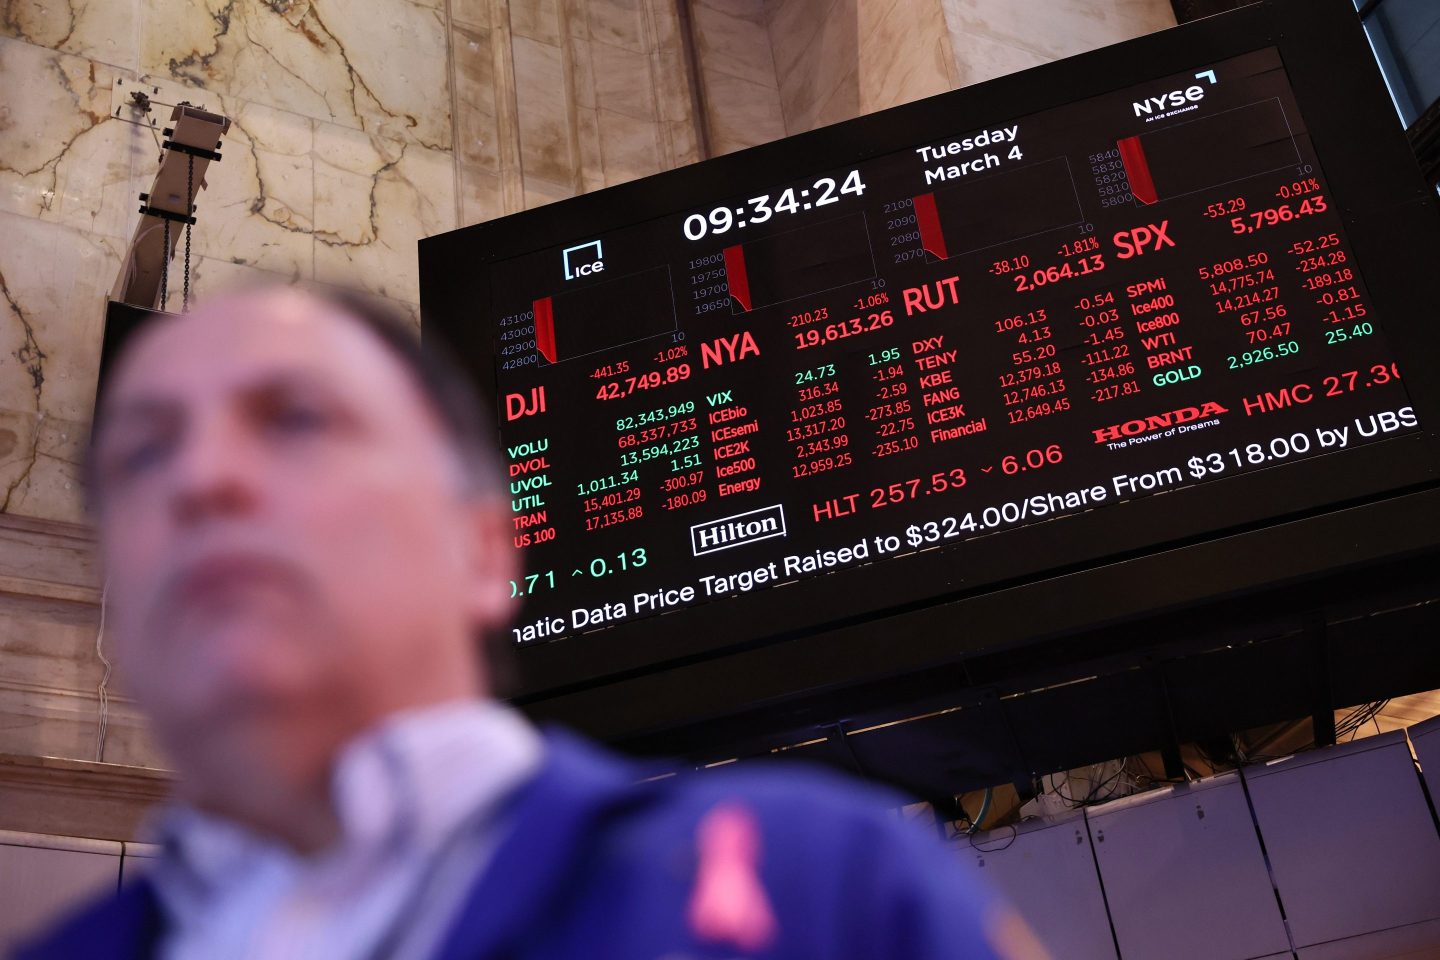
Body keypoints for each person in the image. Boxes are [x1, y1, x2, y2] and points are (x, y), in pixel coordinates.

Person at [16, 286, 1044, 960]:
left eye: (296, 418)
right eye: (143, 455)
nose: (201, 480)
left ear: (483, 549)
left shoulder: (823, 887)